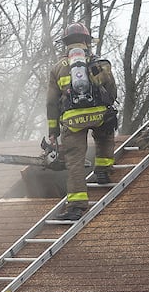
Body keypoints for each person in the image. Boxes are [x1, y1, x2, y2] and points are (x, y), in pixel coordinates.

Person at [46, 22, 118, 221]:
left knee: (74, 160)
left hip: (73, 120)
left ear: (65, 44)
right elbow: (112, 91)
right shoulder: (101, 63)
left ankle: (76, 206)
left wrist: (53, 130)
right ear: (87, 41)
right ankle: (103, 170)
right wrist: (107, 109)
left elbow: (51, 102)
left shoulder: (58, 68)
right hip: (99, 115)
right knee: (104, 137)